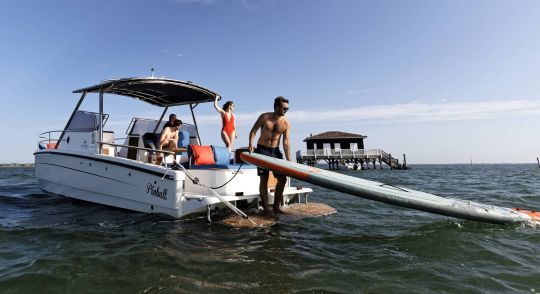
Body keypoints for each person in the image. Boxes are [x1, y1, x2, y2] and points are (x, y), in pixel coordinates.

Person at [248, 96, 290, 215]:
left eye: (288, 109)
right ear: (277, 107)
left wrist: (289, 160)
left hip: (275, 151)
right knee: (264, 178)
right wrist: (250, 144)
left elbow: (286, 142)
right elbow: (253, 131)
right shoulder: (264, 117)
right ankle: (266, 208)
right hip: (262, 150)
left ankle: (276, 207)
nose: (286, 111)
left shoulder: (286, 123)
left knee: (282, 179)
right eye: (284, 108)